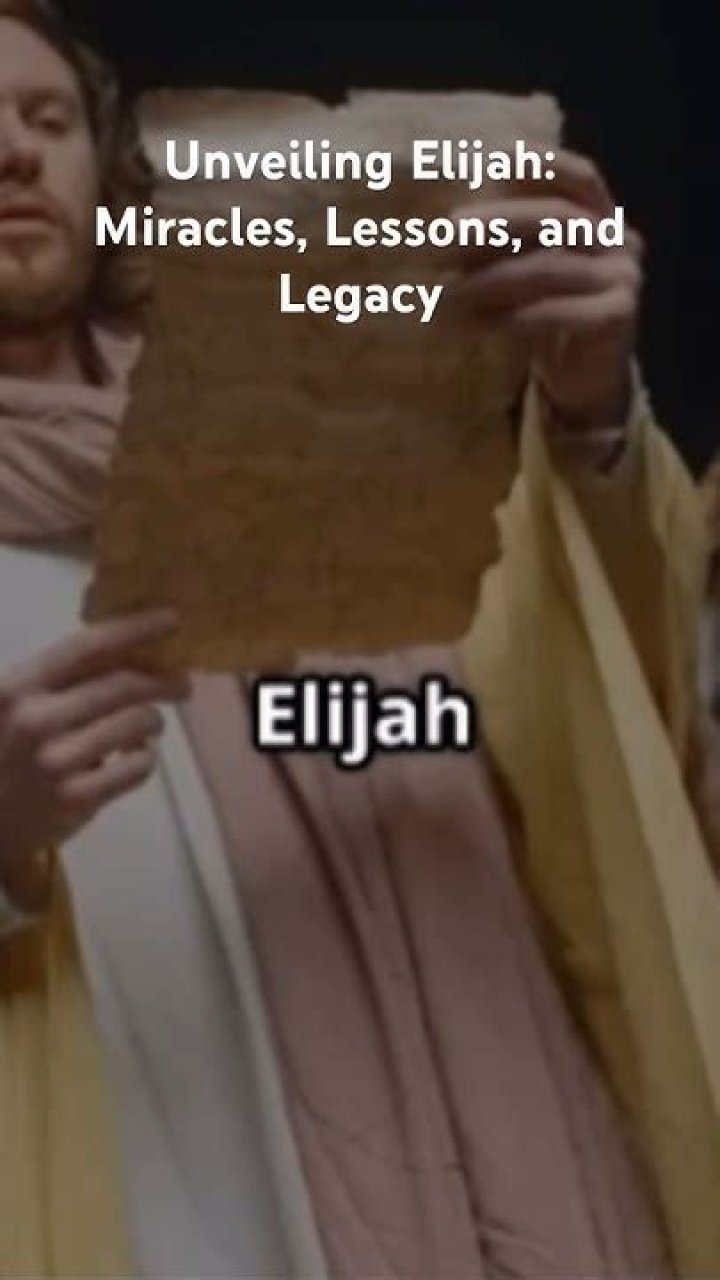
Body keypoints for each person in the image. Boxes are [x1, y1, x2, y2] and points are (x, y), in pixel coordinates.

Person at [0, 3, 715, 1276]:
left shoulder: (296, 417)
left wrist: (588, 406)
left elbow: (576, 703)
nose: (11, 151)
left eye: (43, 118)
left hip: (465, 1089)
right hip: (154, 1178)